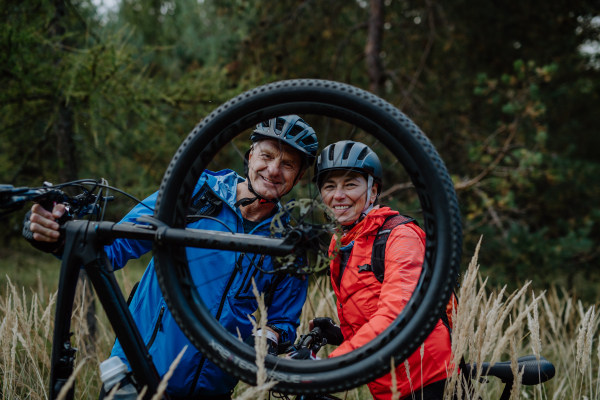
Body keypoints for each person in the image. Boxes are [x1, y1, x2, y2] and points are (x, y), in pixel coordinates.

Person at [23, 115, 319, 399]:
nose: (275, 170)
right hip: (138, 373)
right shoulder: (193, 191)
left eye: (288, 164)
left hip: (211, 390)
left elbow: (282, 320)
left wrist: (271, 338)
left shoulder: (291, 240)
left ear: (300, 175)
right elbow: (112, 250)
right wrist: (56, 237)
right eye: (267, 156)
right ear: (251, 153)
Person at [310, 140, 452, 400]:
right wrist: (341, 336)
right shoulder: (341, 242)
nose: (338, 195)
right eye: (329, 186)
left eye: (350, 184)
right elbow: (373, 312)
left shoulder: (401, 236)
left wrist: (328, 367)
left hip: (429, 382)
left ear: (373, 191)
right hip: (390, 386)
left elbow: (399, 315)